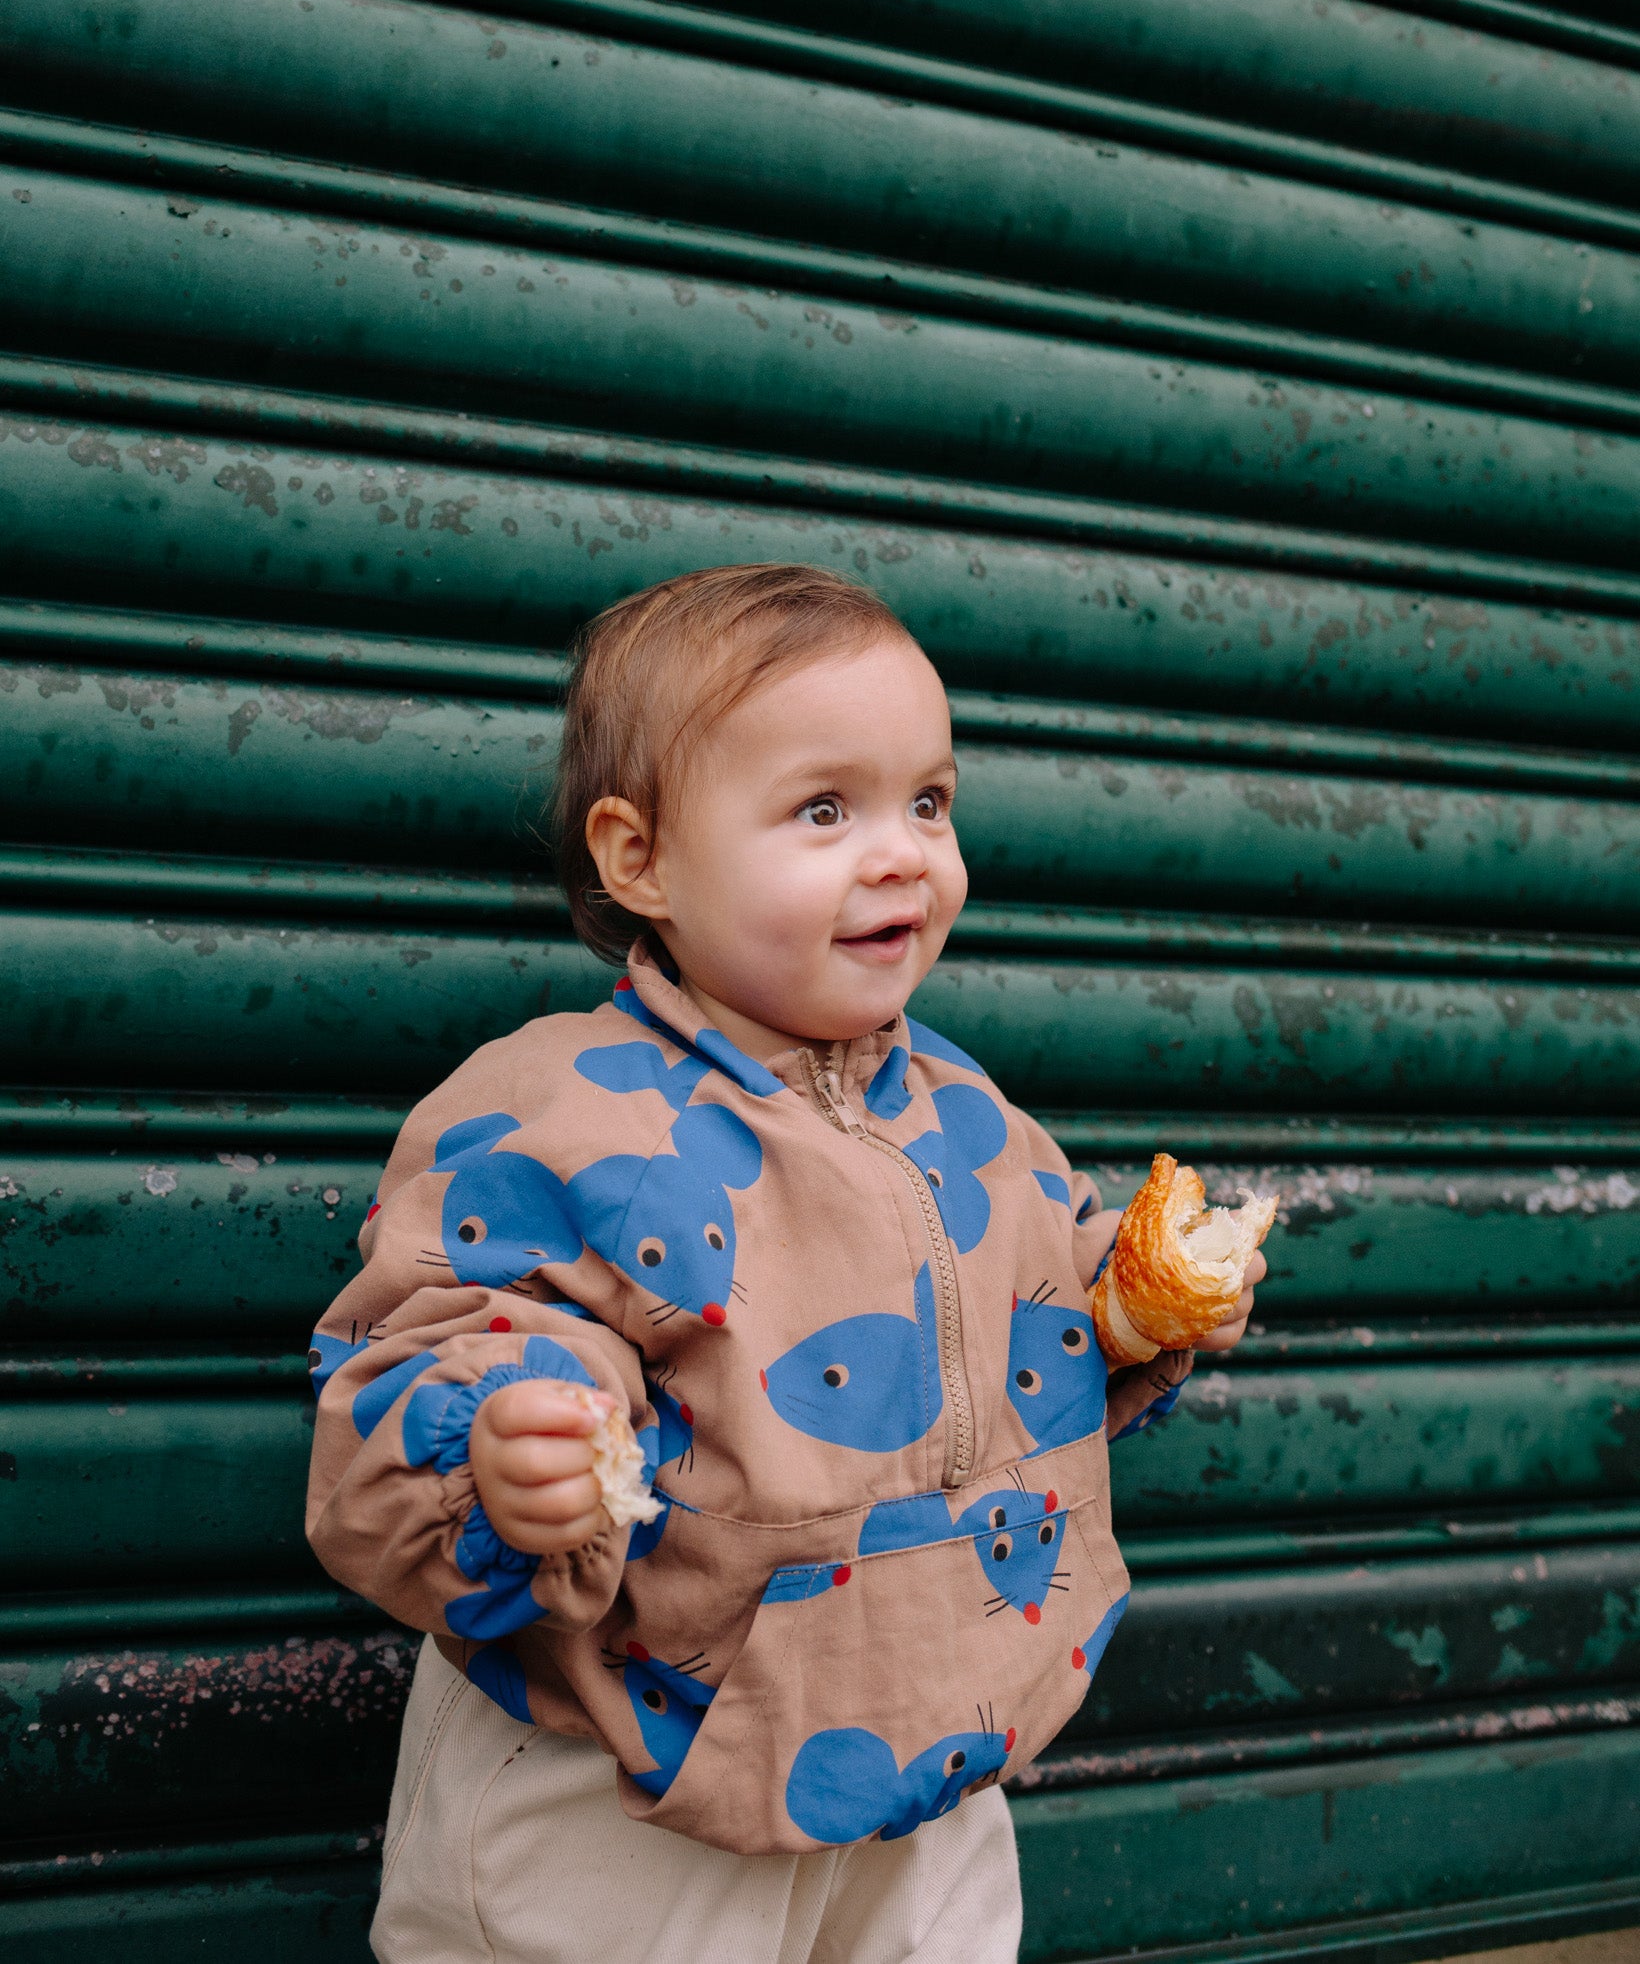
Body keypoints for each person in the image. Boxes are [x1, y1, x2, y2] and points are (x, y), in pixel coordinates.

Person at [305, 563, 1263, 1964]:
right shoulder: (560, 1111)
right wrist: (495, 1447)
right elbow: (452, 1324)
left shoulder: (972, 1114)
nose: (902, 854)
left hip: (925, 1738)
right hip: (632, 1774)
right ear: (639, 860)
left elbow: (1001, 1327)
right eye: (826, 809)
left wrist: (1115, 1307)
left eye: (928, 803)